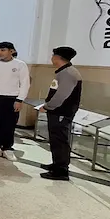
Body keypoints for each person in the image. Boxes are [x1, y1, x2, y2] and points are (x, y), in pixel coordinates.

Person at [39, 47, 82, 180]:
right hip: (57, 111)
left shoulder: (68, 73)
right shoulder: (64, 72)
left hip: (61, 111)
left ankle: (61, 170)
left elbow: (61, 95)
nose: (51, 58)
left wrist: (48, 106)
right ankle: (57, 164)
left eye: (53, 55)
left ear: (58, 57)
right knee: (56, 139)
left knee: (60, 140)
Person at [0, 42, 30, 161]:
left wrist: (20, 99)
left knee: (9, 123)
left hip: (12, 98)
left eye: (3, 50)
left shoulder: (20, 65)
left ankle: (7, 148)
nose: (0, 53)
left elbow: (25, 83)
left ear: (11, 51)